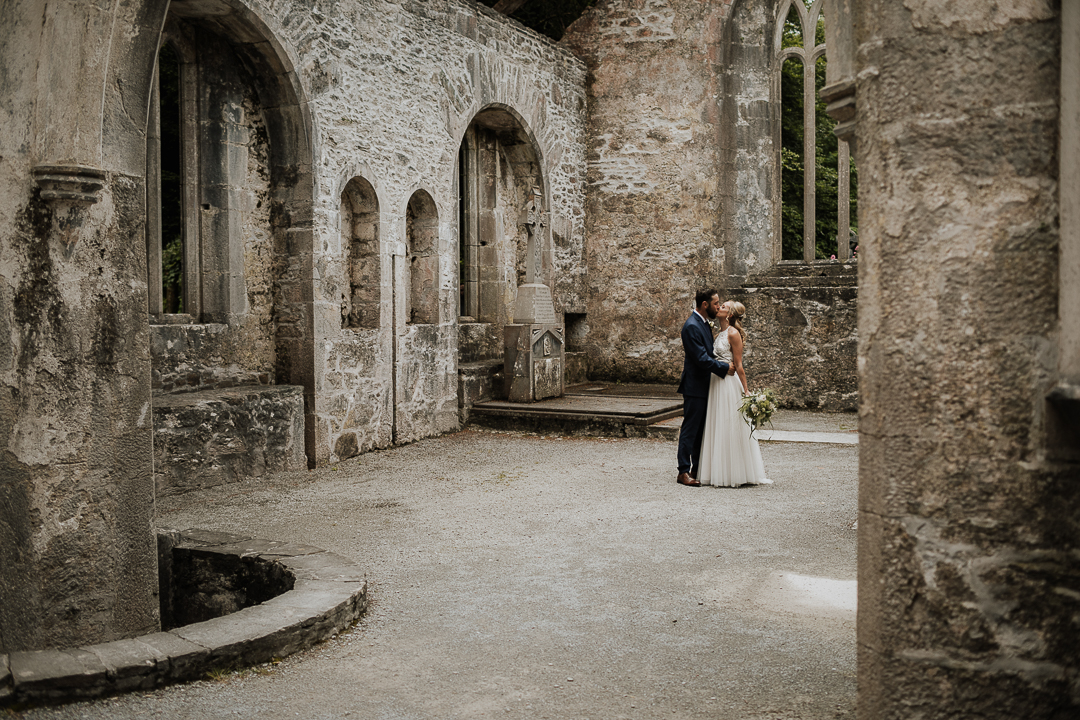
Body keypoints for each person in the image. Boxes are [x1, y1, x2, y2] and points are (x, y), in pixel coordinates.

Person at [697, 300, 771, 487]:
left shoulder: (733, 333)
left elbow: (739, 365)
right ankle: (718, 470)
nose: (719, 307)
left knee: (730, 425)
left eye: (723, 306)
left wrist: (746, 391)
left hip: (729, 384)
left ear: (729, 314)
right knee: (718, 424)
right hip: (716, 382)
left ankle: (735, 473)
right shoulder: (719, 333)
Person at [676, 289, 734, 487]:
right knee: (690, 429)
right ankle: (683, 471)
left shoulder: (703, 323)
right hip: (694, 386)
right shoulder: (692, 326)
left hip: (706, 384)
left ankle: (697, 468)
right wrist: (724, 368)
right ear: (704, 304)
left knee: (701, 430)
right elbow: (701, 358)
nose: (718, 306)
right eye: (716, 303)